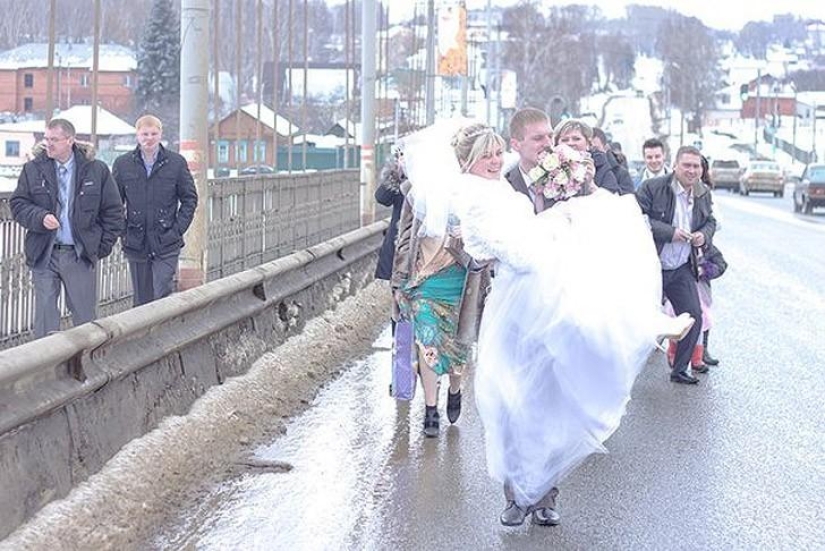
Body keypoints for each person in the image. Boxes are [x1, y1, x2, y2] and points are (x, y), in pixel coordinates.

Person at [402, 120, 694, 527]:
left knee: (553, 395)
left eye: (496, 153)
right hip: (516, 303)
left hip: (542, 290)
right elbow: (512, 252)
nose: (494, 160)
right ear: (468, 161)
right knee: (513, 400)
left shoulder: (508, 184)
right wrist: (555, 228)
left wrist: (571, 202)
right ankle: (517, 495)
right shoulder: (473, 196)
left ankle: (544, 495)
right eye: (486, 155)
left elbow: (571, 209)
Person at [390, 122, 493, 438]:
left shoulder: (475, 195)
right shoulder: (416, 195)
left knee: (459, 346)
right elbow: (404, 241)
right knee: (427, 340)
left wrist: (468, 236)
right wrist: (398, 282)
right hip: (424, 282)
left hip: (461, 282)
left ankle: (455, 388)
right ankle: (431, 409)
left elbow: (487, 243)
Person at [10, 118, 124, 338]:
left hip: (79, 254)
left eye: (54, 139)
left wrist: (100, 247)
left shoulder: (96, 170)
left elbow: (113, 211)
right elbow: (18, 204)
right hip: (44, 252)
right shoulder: (33, 169)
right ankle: (46, 359)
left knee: (84, 318)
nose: (48, 144)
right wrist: (40, 217)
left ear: (70, 140)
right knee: (45, 318)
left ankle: (86, 357)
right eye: (46, 138)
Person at [636, 145, 716, 384]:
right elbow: (638, 219)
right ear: (674, 166)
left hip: (681, 266)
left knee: (693, 316)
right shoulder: (653, 187)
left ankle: (680, 369)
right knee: (639, 319)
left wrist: (703, 235)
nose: (692, 171)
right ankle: (627, 370)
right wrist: (670, 233)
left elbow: (710, 221)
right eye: (687, 165)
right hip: (652, 265)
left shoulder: (703, 192)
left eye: (696, 166)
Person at [112, 115, 198, 307]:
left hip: (166, 241)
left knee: (162, 293)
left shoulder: (175, 163)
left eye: (153, 134)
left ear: (160, 134)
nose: (149, 138)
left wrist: (177, 229)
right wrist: (124, 231)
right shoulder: (123, 164)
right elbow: (114, 203)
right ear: (137, 135)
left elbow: (189, 199)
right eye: (145, 134)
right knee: (142, 300)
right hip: (136, 241)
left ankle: (164, 326)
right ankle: (141, 327)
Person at [554, 118, 628, 195]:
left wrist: (591, 184)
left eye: (576, 139)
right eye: (565, 140)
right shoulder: (550, 164)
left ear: (588, 144)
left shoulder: (600, 164)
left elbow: (613, 198)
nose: (570, 143)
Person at [504, 107, 554, 212]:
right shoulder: (504, 186)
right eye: (538, 138)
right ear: (516, 145)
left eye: (550, 136)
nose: (548, 144)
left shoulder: (569, 181)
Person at [591, 127, 634, 194]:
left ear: (606, 148)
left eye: (595, 149)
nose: (591, 153)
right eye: (588, 149)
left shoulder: (621, 174)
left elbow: (627, 198)